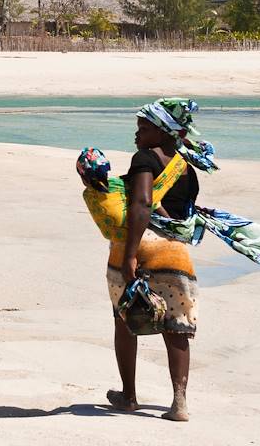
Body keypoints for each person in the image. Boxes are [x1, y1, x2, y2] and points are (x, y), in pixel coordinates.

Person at [106, 98, 217, 422]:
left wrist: (130, 255)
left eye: (143, 128)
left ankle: (128, 397)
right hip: (175, 253)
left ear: (163, 132)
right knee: (178, 326)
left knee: (125, 320)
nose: (136, 135)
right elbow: (185, 214)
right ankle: (179, 402)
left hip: (141, 246)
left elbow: (142, 204)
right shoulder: (187, 169)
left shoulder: (144, 159)